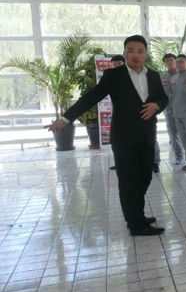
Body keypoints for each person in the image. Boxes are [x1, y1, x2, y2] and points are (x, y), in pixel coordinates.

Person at [48, 35, 168, 236]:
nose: (135, 55)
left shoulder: (153, 75)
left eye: (140, 51)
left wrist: (157, 105)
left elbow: (163, 98)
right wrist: (65, 119)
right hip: (124, 137)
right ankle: (136, 224)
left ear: (145, 54)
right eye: (131, 51)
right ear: (124, 53)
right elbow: (91, 97)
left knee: (145, 177)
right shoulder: (114, 75)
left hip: (147, 136)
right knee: (128, 181)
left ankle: (137, 214)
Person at [160, 53, 184, 166]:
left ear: (175, 61)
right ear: (165, 64)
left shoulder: (183, 75)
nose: (169, 62)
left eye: (171, 60)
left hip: (183, 108)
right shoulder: (162, 77)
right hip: (168, 109)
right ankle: (179, 156)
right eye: (166, 61)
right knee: (173, 133)